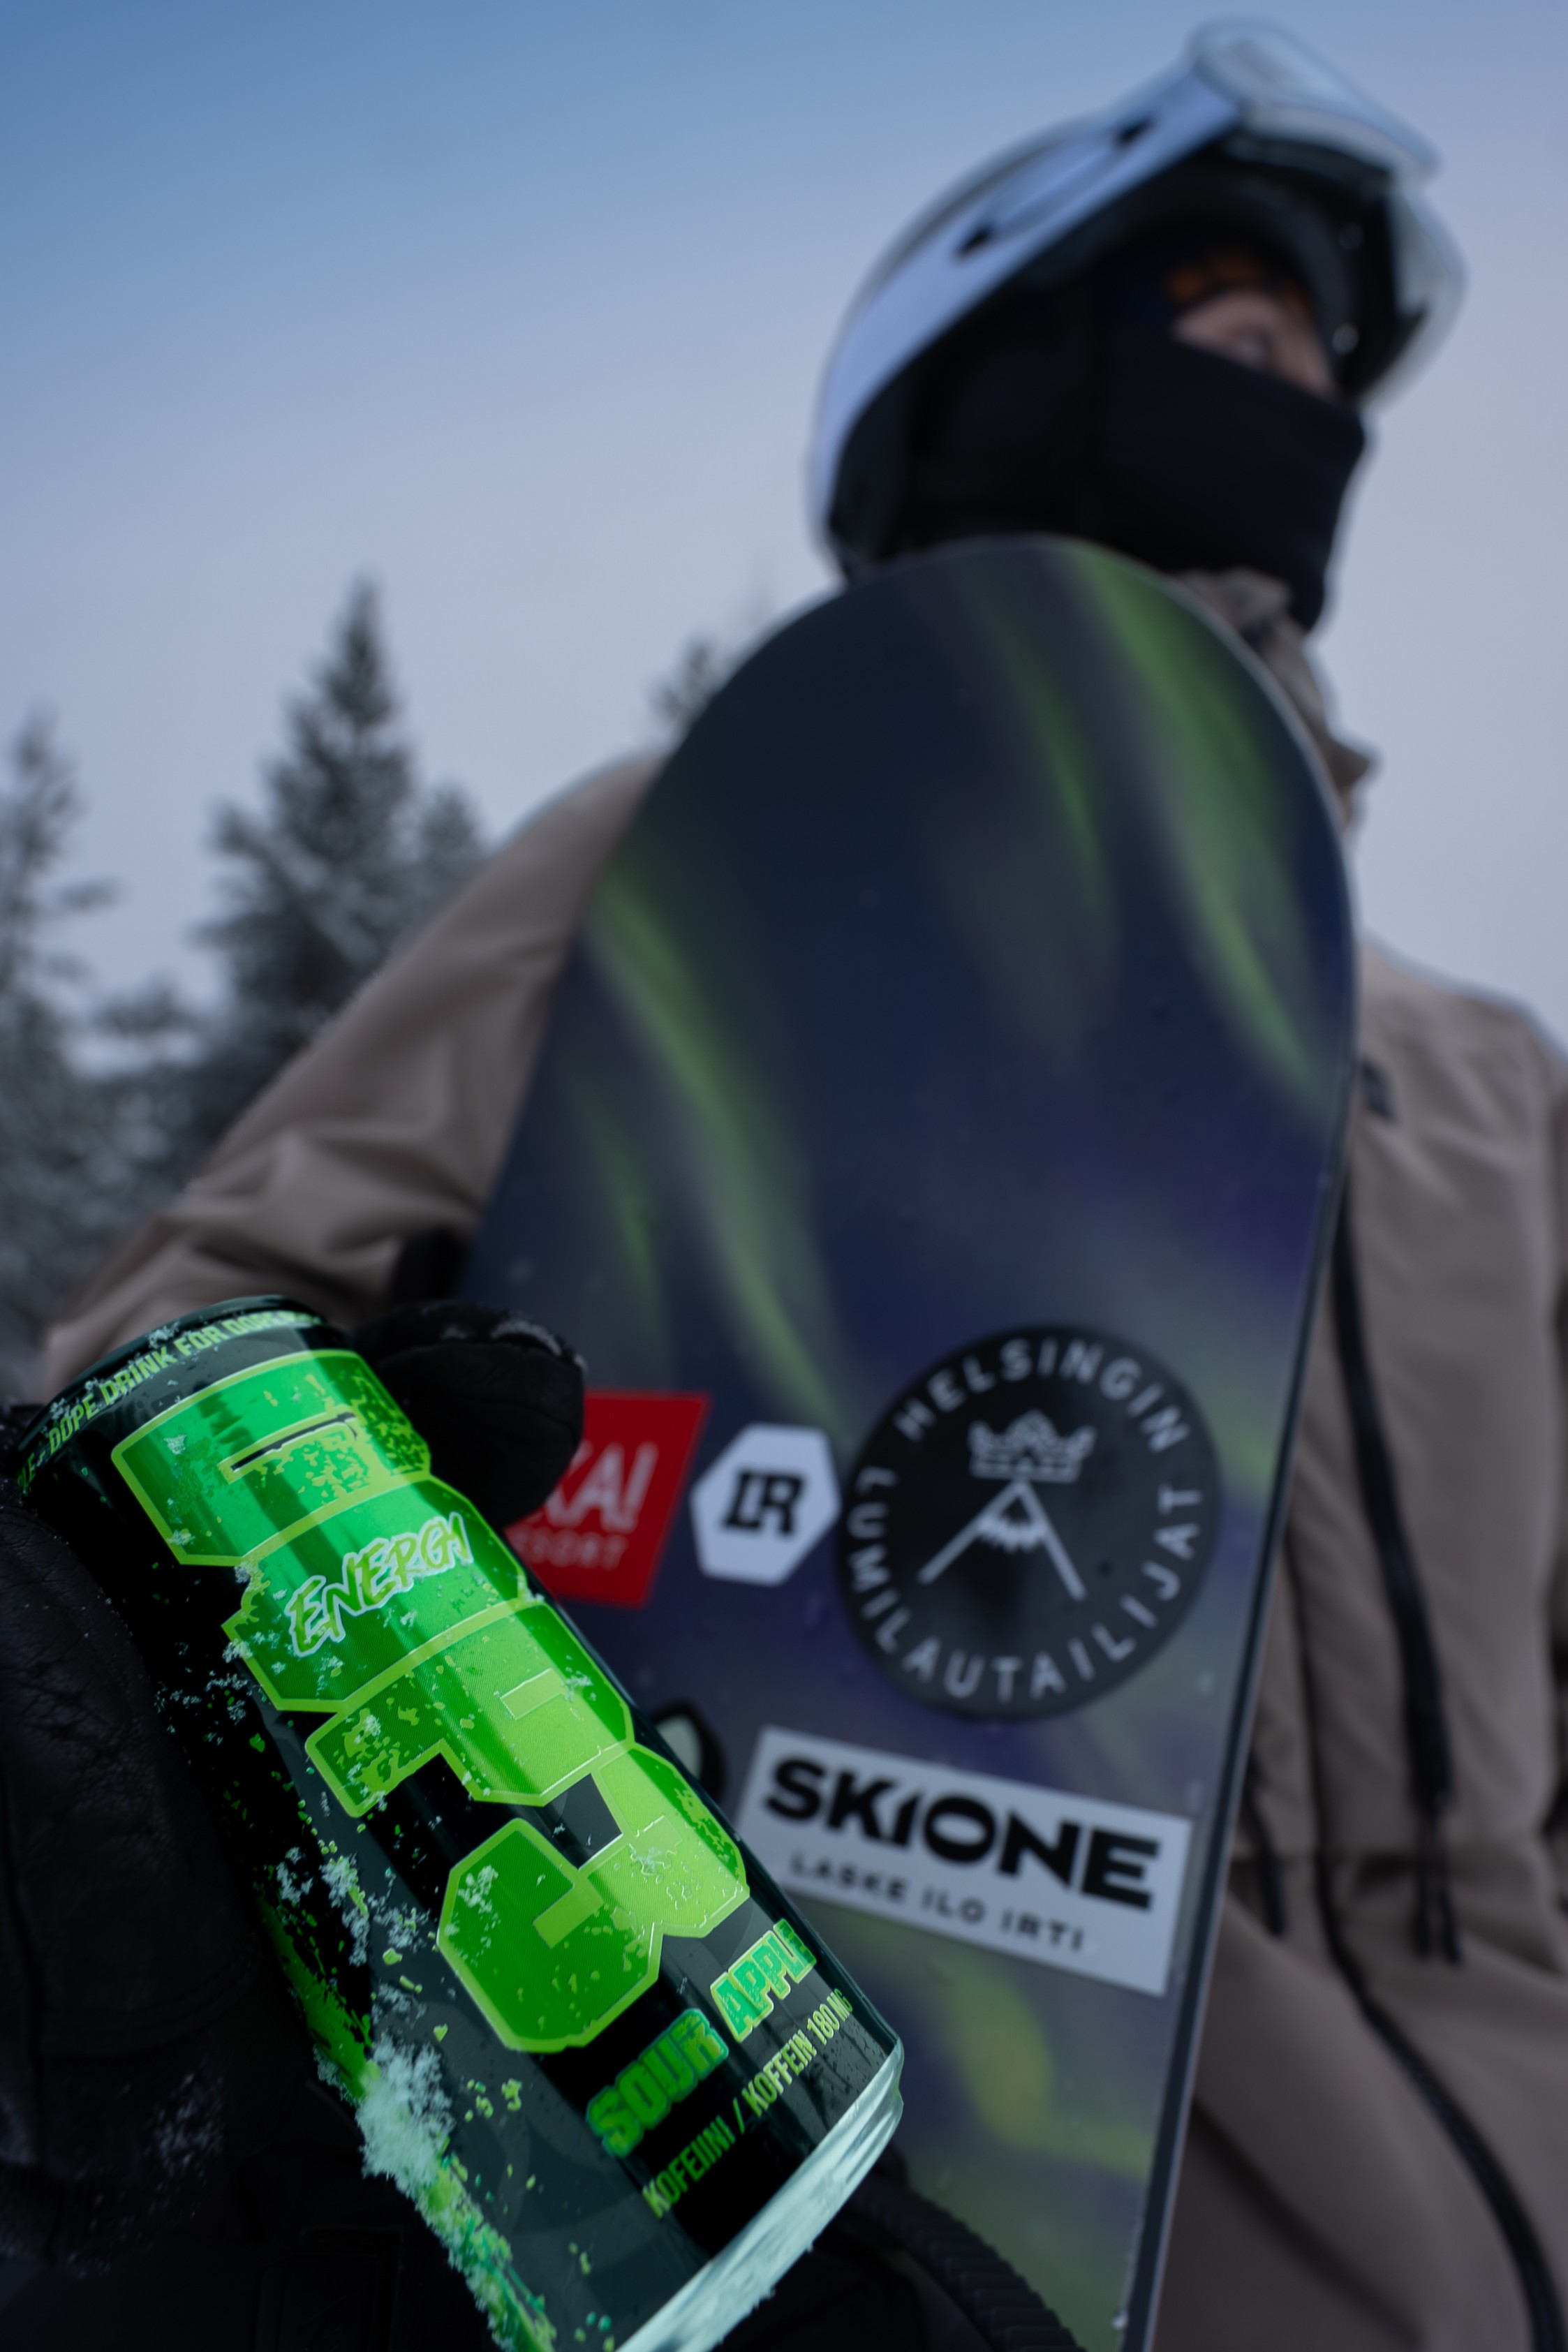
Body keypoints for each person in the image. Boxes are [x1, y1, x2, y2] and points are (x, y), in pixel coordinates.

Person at [9, 21, 1568, 2351]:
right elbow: (179, 1372)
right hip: (981, 2177)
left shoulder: (1485, 1073)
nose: (1301, 405)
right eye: (1232, 337)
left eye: (1324, 373)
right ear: (1008, 369)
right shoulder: (727, 877)